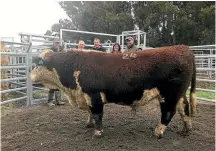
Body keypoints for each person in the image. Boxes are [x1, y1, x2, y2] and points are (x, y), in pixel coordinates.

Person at [47, 39, 65, 106]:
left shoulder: (61, 50)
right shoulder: (50, 50)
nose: (57, 44)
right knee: (52, 85)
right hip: (52, 69)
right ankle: (50, 101)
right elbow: (47, 59)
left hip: (59, 70)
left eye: (58, 43)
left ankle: (58, 100)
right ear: (53, 43)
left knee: (58, 85)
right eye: (56, 43)